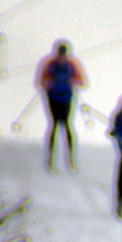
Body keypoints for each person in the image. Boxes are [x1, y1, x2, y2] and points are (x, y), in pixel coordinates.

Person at [34, 39, 87, 173]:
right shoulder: (48, 63)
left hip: (66, 98)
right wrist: (49, 83)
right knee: (55, 125)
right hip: (52, 97)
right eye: (60, 54)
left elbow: (82, 82)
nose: (62, 57)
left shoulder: (72, 64)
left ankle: (70, 160)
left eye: (64, 54)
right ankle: (51, 159)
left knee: (67, 125)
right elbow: (40, 82)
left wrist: (71, 81)